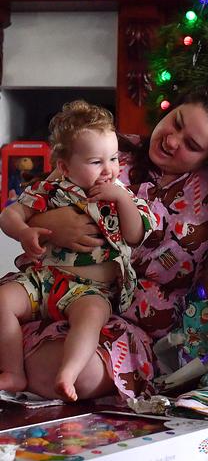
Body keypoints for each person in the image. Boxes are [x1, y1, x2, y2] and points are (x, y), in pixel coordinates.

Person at [14, 86, 208, 401]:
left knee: (75, 374)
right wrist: (45, 224)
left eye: (191, 145)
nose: (171, 140)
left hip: (131, 324)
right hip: (53, 289)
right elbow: (32, 207)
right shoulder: (111, 151)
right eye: (177, 122)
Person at [0, 101, 157, 402]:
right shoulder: (50, 190)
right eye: (96, 162)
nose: (109, 169)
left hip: (90, 290)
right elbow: (9, 215)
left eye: (113, 159)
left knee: (91, 317)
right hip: (44, 280)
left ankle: (68, 373)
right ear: (65, 167)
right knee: (4, 299)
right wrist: (24, 231)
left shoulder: (120, 195)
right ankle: (13, 371)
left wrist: (122, 201)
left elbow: (136, 235)